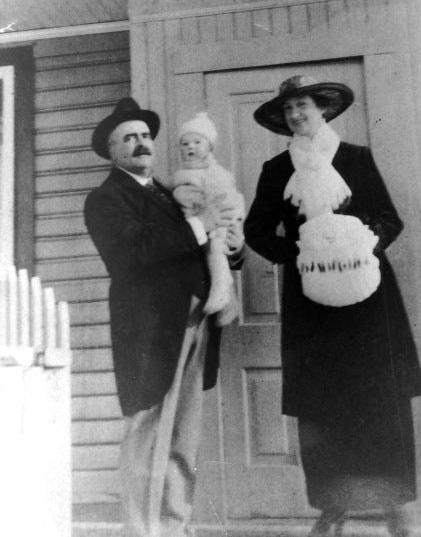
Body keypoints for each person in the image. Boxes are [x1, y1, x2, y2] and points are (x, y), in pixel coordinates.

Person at [244, 75, 421, 537]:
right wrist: (299, 256)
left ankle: (396, 506)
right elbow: (257, 231)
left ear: (322, 108)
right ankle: (332, 506)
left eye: (303, 105)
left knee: (380, 398)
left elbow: (389, 218)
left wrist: (362, 244)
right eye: (288, 110)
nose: (297, 115)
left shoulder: (356, 159)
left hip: (369, 302)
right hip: (312, 304)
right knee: (323, 404)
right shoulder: (276, 169)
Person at [84, 97, 244, 537]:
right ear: (112, 151)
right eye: (129, 138)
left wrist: (230, 244)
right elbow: (130, 254)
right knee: (148, 430)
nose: (141, 144)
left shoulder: (172, 194)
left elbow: (203, 238)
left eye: (146, 136)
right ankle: (140, 530)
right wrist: (198, 225)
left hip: (195, 321)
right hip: (150, 330)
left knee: (183, 435)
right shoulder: (105, 199)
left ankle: (174, 525)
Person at [173, 111, 245, 326]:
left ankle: (223, 290)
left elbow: (222, 198)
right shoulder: (182, 175)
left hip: (222, 222)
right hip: (194, 243)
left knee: (215, 250)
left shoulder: (215, 172)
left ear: (210, 147)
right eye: (185, 144)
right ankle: (227, 299)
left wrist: (225, 224)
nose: (190, 147)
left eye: (197, 142)